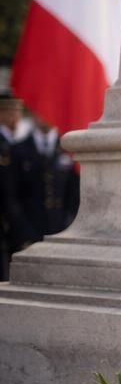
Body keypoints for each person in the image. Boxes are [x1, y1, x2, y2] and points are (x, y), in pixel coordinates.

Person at [0, 92, 42, 282]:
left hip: (18, 221)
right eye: (9, 111)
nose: (14, 115)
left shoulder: (21, 144)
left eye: (17, 111)